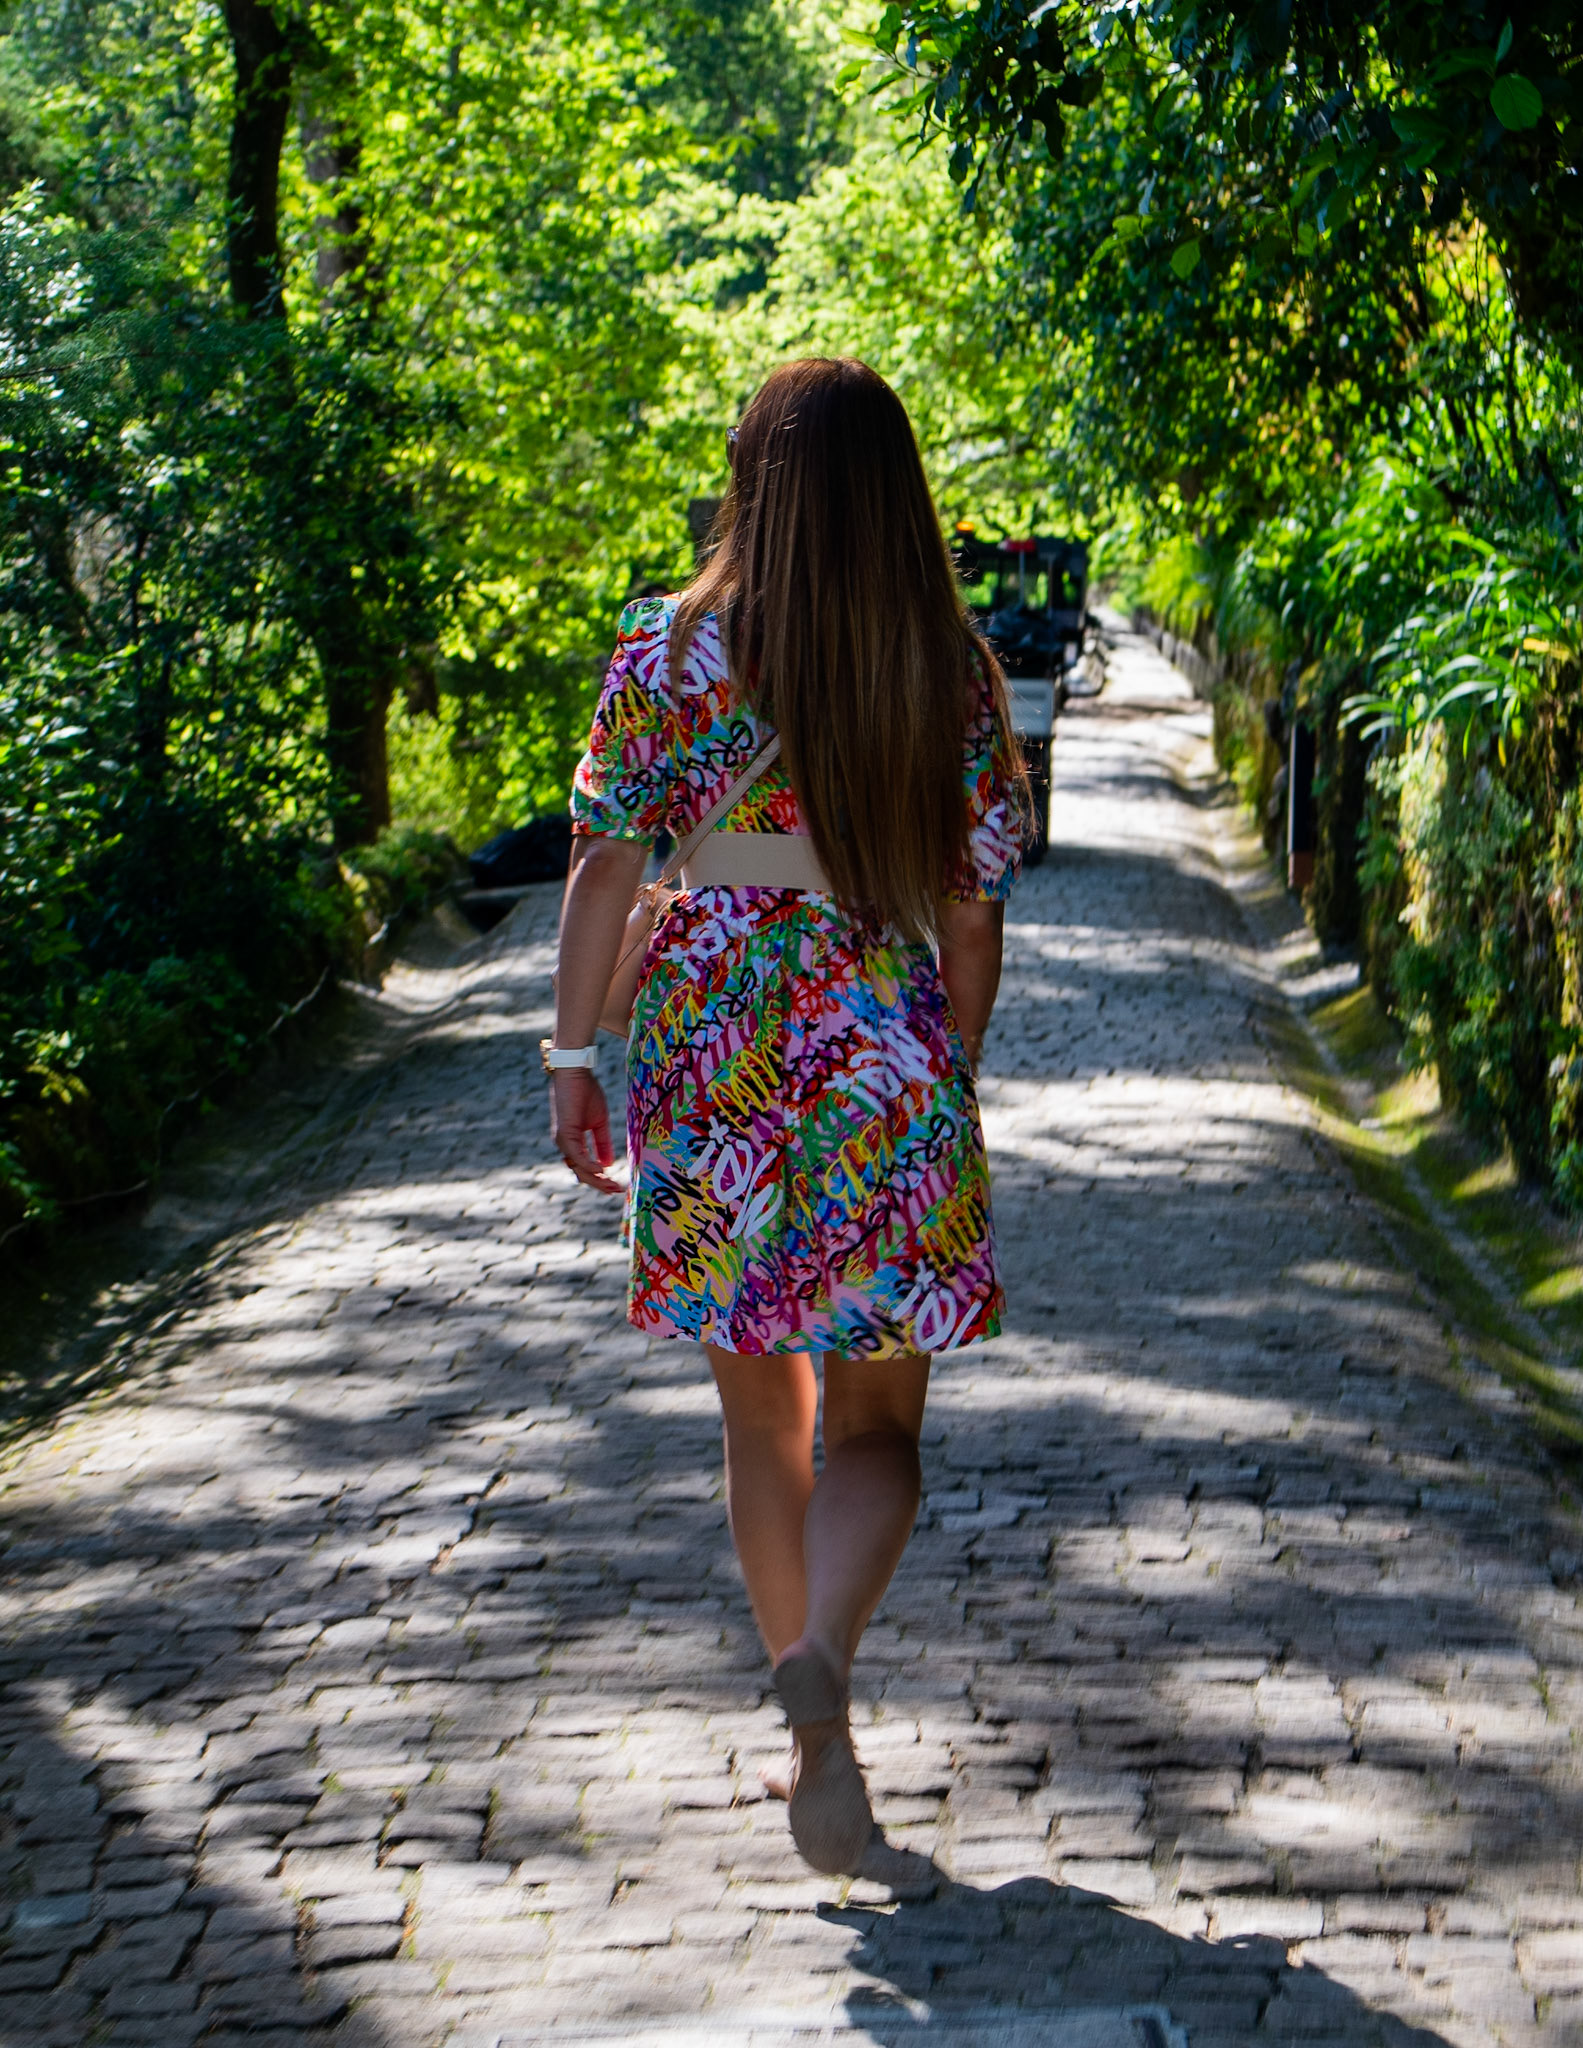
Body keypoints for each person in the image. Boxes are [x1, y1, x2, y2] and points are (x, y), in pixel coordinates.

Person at [547, 357, 1024, 1878]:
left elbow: (604, 868)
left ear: (750, 483)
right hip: (884, 1054)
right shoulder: (946, 665)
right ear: (898, 494)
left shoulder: (666, 649)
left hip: (713, 1056)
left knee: (765, 1421)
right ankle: (824, 1648)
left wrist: (572, 1055)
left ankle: (819, 1746)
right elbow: (972, 913)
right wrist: (939, 1070)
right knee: (878, 1428)